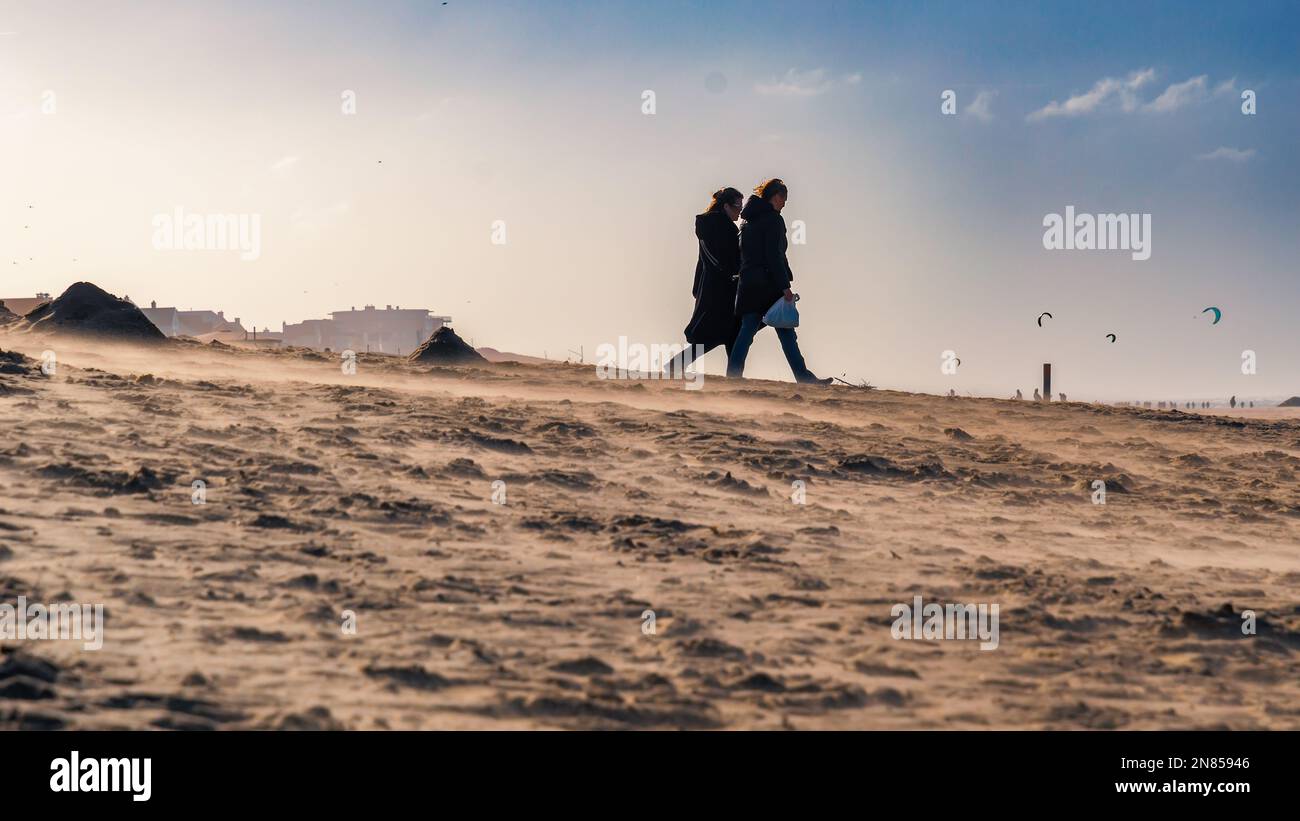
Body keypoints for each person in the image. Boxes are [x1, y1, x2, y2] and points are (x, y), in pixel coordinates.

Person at [725, 178, 830, 384]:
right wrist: (785, 287)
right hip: (768, 284)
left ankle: (733, 375)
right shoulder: (773, 219)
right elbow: (775, 256)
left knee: (747, 330)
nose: (785, 203)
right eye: (784, 198)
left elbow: (745, 254)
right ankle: (803, 376)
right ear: (776, 196)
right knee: (786, 331)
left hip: (749, 283)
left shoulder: (748, 222)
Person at [663, 187, 743, 377]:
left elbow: (704, 259)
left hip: (712, 287)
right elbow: (721, 260)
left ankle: (734, 376)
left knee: (727, 333)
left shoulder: (708, 225)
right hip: (723, 289)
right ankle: (734, 377)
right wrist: (736, 273)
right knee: (721, 335)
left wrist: (697, 285)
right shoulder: (724, 228)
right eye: (737, 206)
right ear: (726, 206)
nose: (740, 210)